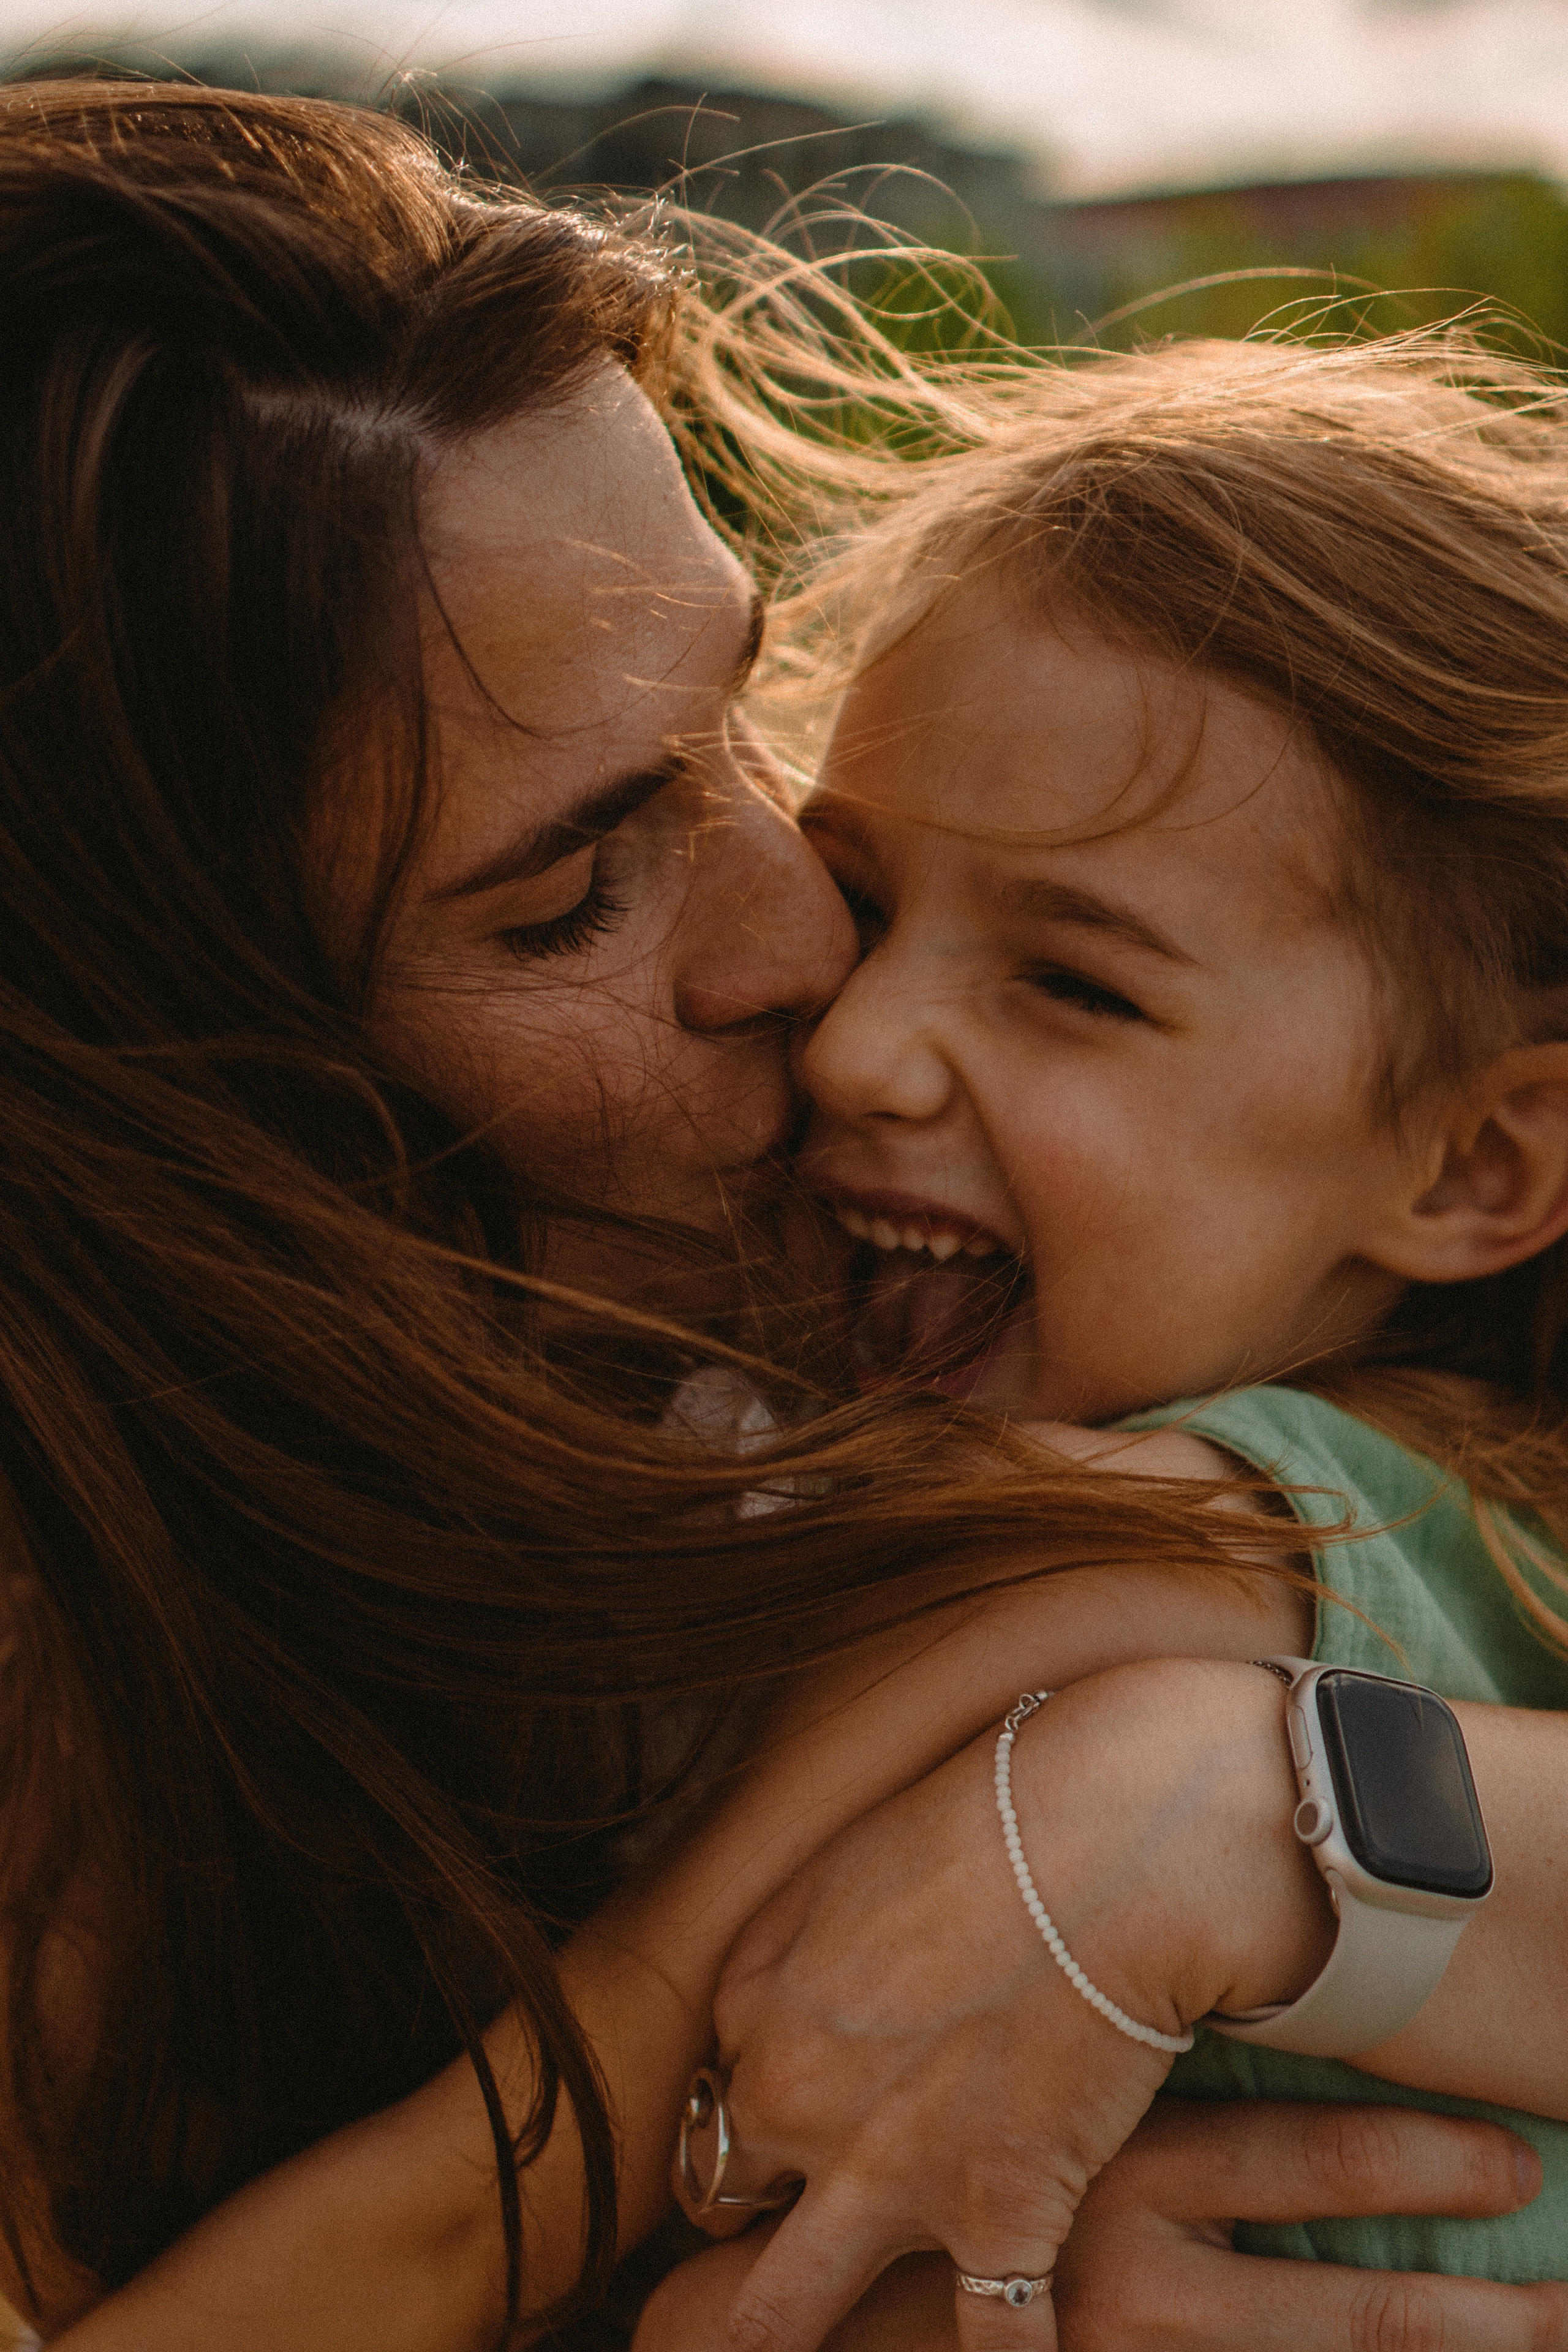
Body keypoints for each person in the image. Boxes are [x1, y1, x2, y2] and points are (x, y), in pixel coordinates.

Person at [0, 78, 1558, 2352]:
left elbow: (506, 2177)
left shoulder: (1109, 1531)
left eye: (744, 736)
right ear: (157, 1079)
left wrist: (1226, 1817)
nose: (823, 996)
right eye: (573, 895)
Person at [634, 332, 1568, 2350]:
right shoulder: (1488, 1543)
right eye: (859, 900)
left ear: (1479, 1160)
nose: (860, 1042)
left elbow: (494, 2177)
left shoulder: (1141, 1537)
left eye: (1074, 984)